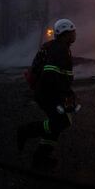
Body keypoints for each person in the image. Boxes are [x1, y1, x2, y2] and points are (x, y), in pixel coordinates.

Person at [17, 18, 79, 169]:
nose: (75, 35)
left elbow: (57, 75)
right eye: (73, 32)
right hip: (48, 93)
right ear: (66, 33)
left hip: (46, 92)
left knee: (58, 123)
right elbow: (50, 75)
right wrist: (65, 95)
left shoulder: (56, 47)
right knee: (61, 122)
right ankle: (26, 131)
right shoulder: (60, 49)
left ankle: (41, 158)